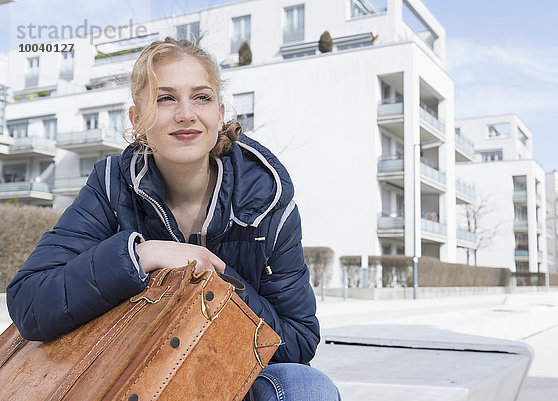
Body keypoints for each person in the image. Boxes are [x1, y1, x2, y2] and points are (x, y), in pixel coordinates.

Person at [6, 37, 340, 401]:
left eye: (201, 97)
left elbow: (300, 341)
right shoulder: (111, 184)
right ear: (137, 119)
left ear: (220, 113)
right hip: (133, 373)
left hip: (235, 377)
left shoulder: (267, 201)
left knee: (307, 388)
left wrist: (216, 281)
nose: (186, 113)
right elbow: (29, 301)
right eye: (166, 98)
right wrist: (140, 256)